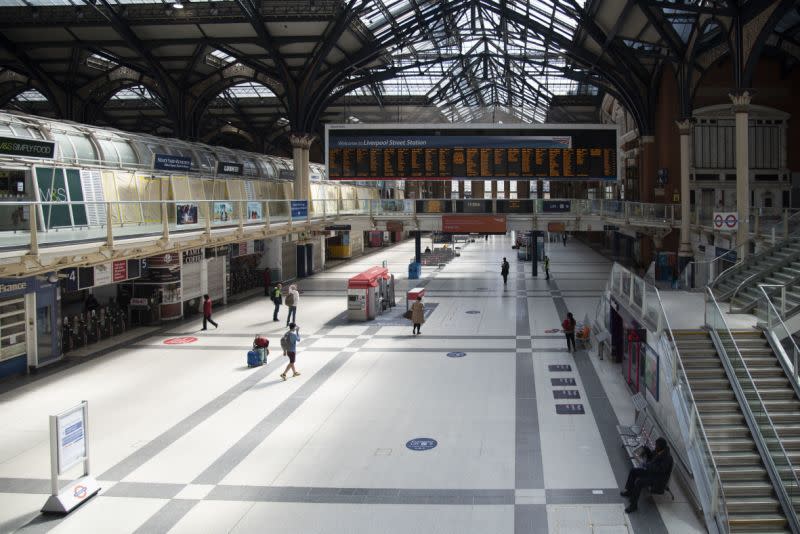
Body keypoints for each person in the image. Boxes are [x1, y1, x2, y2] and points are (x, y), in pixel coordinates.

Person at [621, 437, 674, 513]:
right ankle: (629, 491)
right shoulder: (659, 451)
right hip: (651, 472)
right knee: (633, 471)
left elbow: (660, 470)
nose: (655, 447)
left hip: (658, 479)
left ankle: (633, 505)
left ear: (661, 447)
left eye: (657, 446)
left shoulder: (668, 458)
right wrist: (646, 449)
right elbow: (652, 457)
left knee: (639, 482)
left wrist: (647, 465)